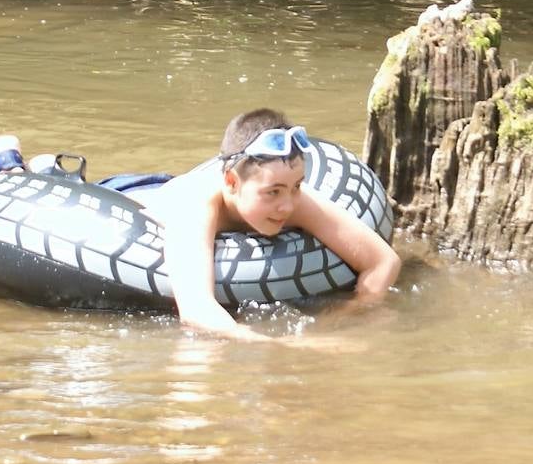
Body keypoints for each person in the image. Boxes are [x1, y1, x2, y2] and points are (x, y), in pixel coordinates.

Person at [142, 108, 402, 341]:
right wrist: (291, 346)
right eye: (273, 192)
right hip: (140, 197)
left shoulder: (291, 199)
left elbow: (383, 262)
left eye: (296, 186)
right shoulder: (193, 206)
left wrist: (348, 315)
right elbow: (196, 311)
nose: (288, 206)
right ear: (232, 183)